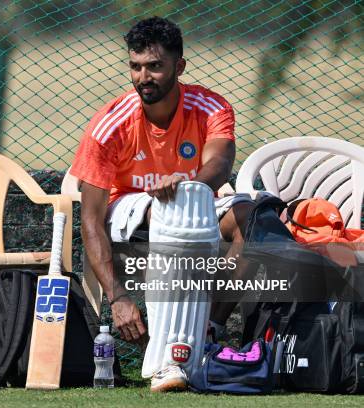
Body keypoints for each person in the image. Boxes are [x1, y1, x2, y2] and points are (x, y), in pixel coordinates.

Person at [70, 16, 256, 391]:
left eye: (155, 66)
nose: (143, 77)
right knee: (171, 214)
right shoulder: (110, 124)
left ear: (179, 66)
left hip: (195, 201)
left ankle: (207, 334)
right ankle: (169, 360)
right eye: (135, 67)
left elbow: (220, 164)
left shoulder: (210, 106)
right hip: (128, 209)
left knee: (251, 219)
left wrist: (188, 188)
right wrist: (118, 297)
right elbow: (90, 220)